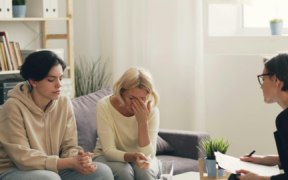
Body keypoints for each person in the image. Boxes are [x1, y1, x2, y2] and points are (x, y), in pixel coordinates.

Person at [0, 51, 113, 180]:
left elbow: (69, 146)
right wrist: (68, 163)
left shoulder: (64, 103)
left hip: (52, 168)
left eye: (60, 78)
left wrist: (80, 160)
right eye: (51, 80)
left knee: (102, 171)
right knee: (50, 178)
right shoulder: (13, 107)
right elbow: (23, 158)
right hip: (15, 170)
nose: (59, 84)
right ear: (33, 81)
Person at [92, 67, 160, 180]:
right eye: (131, 98)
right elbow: (109, 151)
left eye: (142, 99)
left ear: (148, 95)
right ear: (121, 91)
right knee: (124, 171)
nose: (136, 104)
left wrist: (142, 122)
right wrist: (134, 156)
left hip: (140, 156)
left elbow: (148, 156)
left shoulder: (152, 110)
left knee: (145, 172)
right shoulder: (104, 105)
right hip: (106, 157)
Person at [230, 53, 288, 180]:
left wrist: (262, 179)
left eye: (263, 79)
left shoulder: (285, 119)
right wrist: (265, 159)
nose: (261, 86)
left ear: (276, 81)